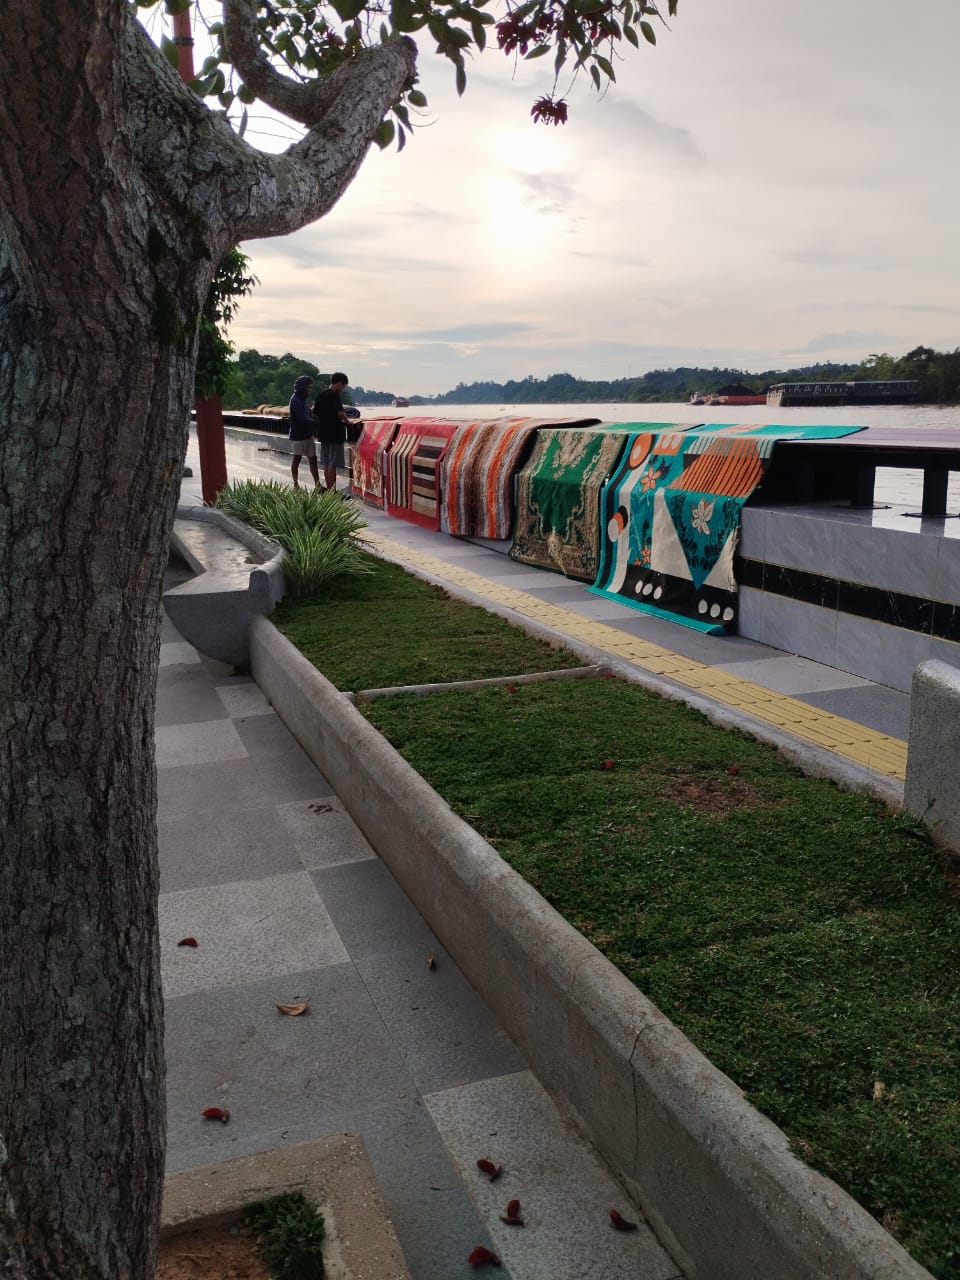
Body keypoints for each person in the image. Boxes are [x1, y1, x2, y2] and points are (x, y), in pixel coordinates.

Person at [312, 372, 350, 492]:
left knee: (327, 463)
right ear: (338, 383)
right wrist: (349, 422)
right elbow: (341, 413)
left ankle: (329, 491)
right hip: (335, 434)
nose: (343, 389)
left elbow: (314, 413)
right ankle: (332, 491)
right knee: (332, 463)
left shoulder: (321, 395)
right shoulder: (334, 395)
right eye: (343, 386)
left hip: (323, 433)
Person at [287, 374, 319, 489]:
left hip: (307, 434)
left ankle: (317, 484)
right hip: (298, 435)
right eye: (308, 387)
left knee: (313, 458)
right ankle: (296, 484)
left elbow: (308, 414)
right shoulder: (295, 400)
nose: (310, 390)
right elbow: (301, 418)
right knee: (297, 458)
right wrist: (316, 423)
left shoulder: (304, 399)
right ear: (302, 387)